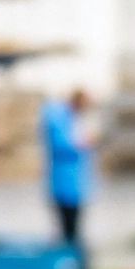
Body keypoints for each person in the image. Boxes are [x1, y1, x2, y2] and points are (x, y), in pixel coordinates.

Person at [41, 89, 95, 247]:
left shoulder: (74, 119)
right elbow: (61, 145)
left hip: (76, 185)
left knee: (73, 227)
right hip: (64, 184)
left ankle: (72, 252)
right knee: (67, 226)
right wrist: (84, 144)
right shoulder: (58, 118)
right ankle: (67, 254)